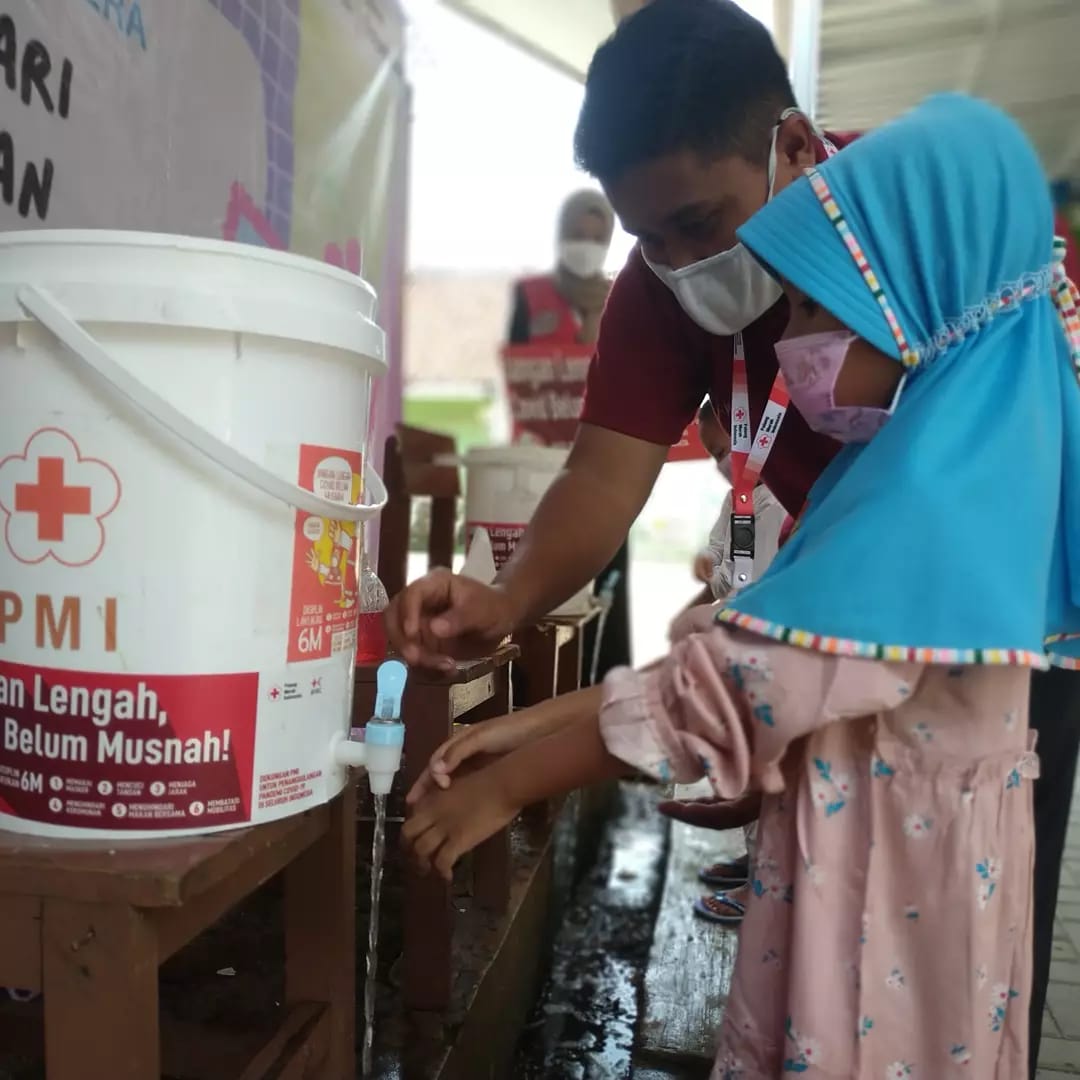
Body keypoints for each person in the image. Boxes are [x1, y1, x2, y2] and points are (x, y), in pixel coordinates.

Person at [388, 1, 1080, 1066]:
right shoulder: (670, 292)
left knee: (942, 973)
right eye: (644, 237)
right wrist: (511, 613)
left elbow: (740, 689)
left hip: (985, 640)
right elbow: (737, 649)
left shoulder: (919, 236)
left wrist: (516, 779)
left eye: (698, 226)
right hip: (864, 702)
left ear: (795, 148)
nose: (671, 263)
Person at [507, 189, 631, 681]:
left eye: (597, 237)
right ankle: (526, 686)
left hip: (606, 464)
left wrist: (598, 320)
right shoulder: (530, 295)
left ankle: (599, 689)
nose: (586, 244)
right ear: (561, 235)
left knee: (604, 581)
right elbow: (517, 373)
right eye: (578, 235)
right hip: (537, 463)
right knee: (535, 574)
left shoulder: (622, 296)